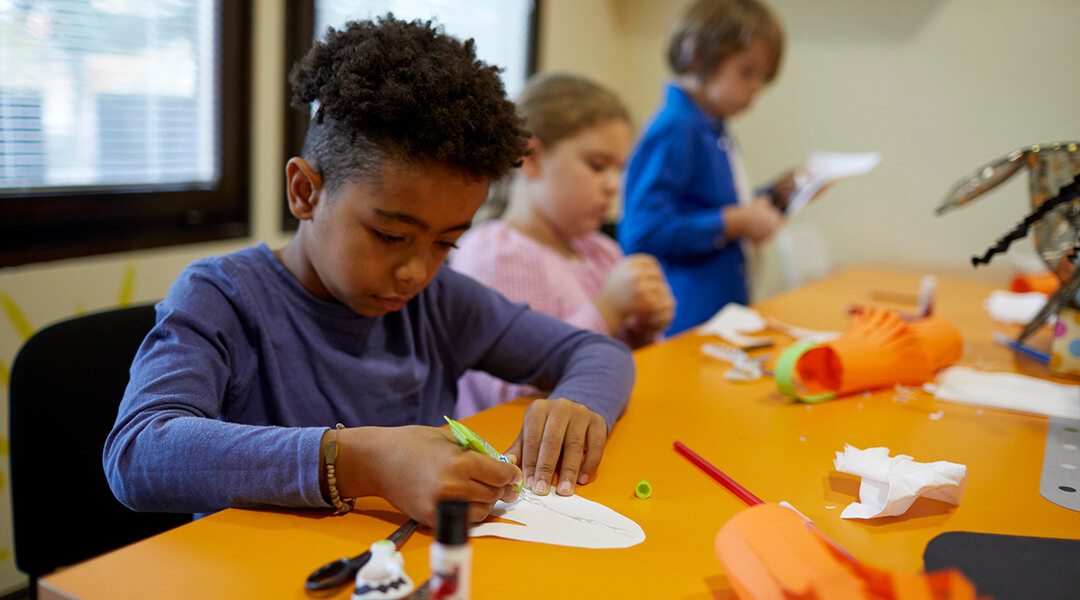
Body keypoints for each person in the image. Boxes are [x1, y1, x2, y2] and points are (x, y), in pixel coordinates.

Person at [103, 15, 635, 527]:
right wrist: (363, 459)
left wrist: (578, 405)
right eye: (390, 236)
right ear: (305, 191)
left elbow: (597, 351)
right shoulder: (222, 297)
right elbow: (138, 452)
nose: (415, 271)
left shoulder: (440, 301)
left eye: (446, 242)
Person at [449, 73, 674, 418]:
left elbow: (631, 367)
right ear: (532, 156)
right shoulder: (495, 253)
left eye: (619, 169)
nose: (613, 185)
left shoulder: (599, 250)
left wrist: (643, 326)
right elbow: (510, 395)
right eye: (597, 166)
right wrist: (609, 309)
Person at [619, 0, 795, 336]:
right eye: (746, 72)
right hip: (686, 321)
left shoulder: (712, 127)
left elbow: (707, 207)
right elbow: (642, 233)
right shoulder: (677, 128)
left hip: (719, 316)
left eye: (762, 79)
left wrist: (774, 195)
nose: (755, 89)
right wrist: (737, 222)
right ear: (697, 56)